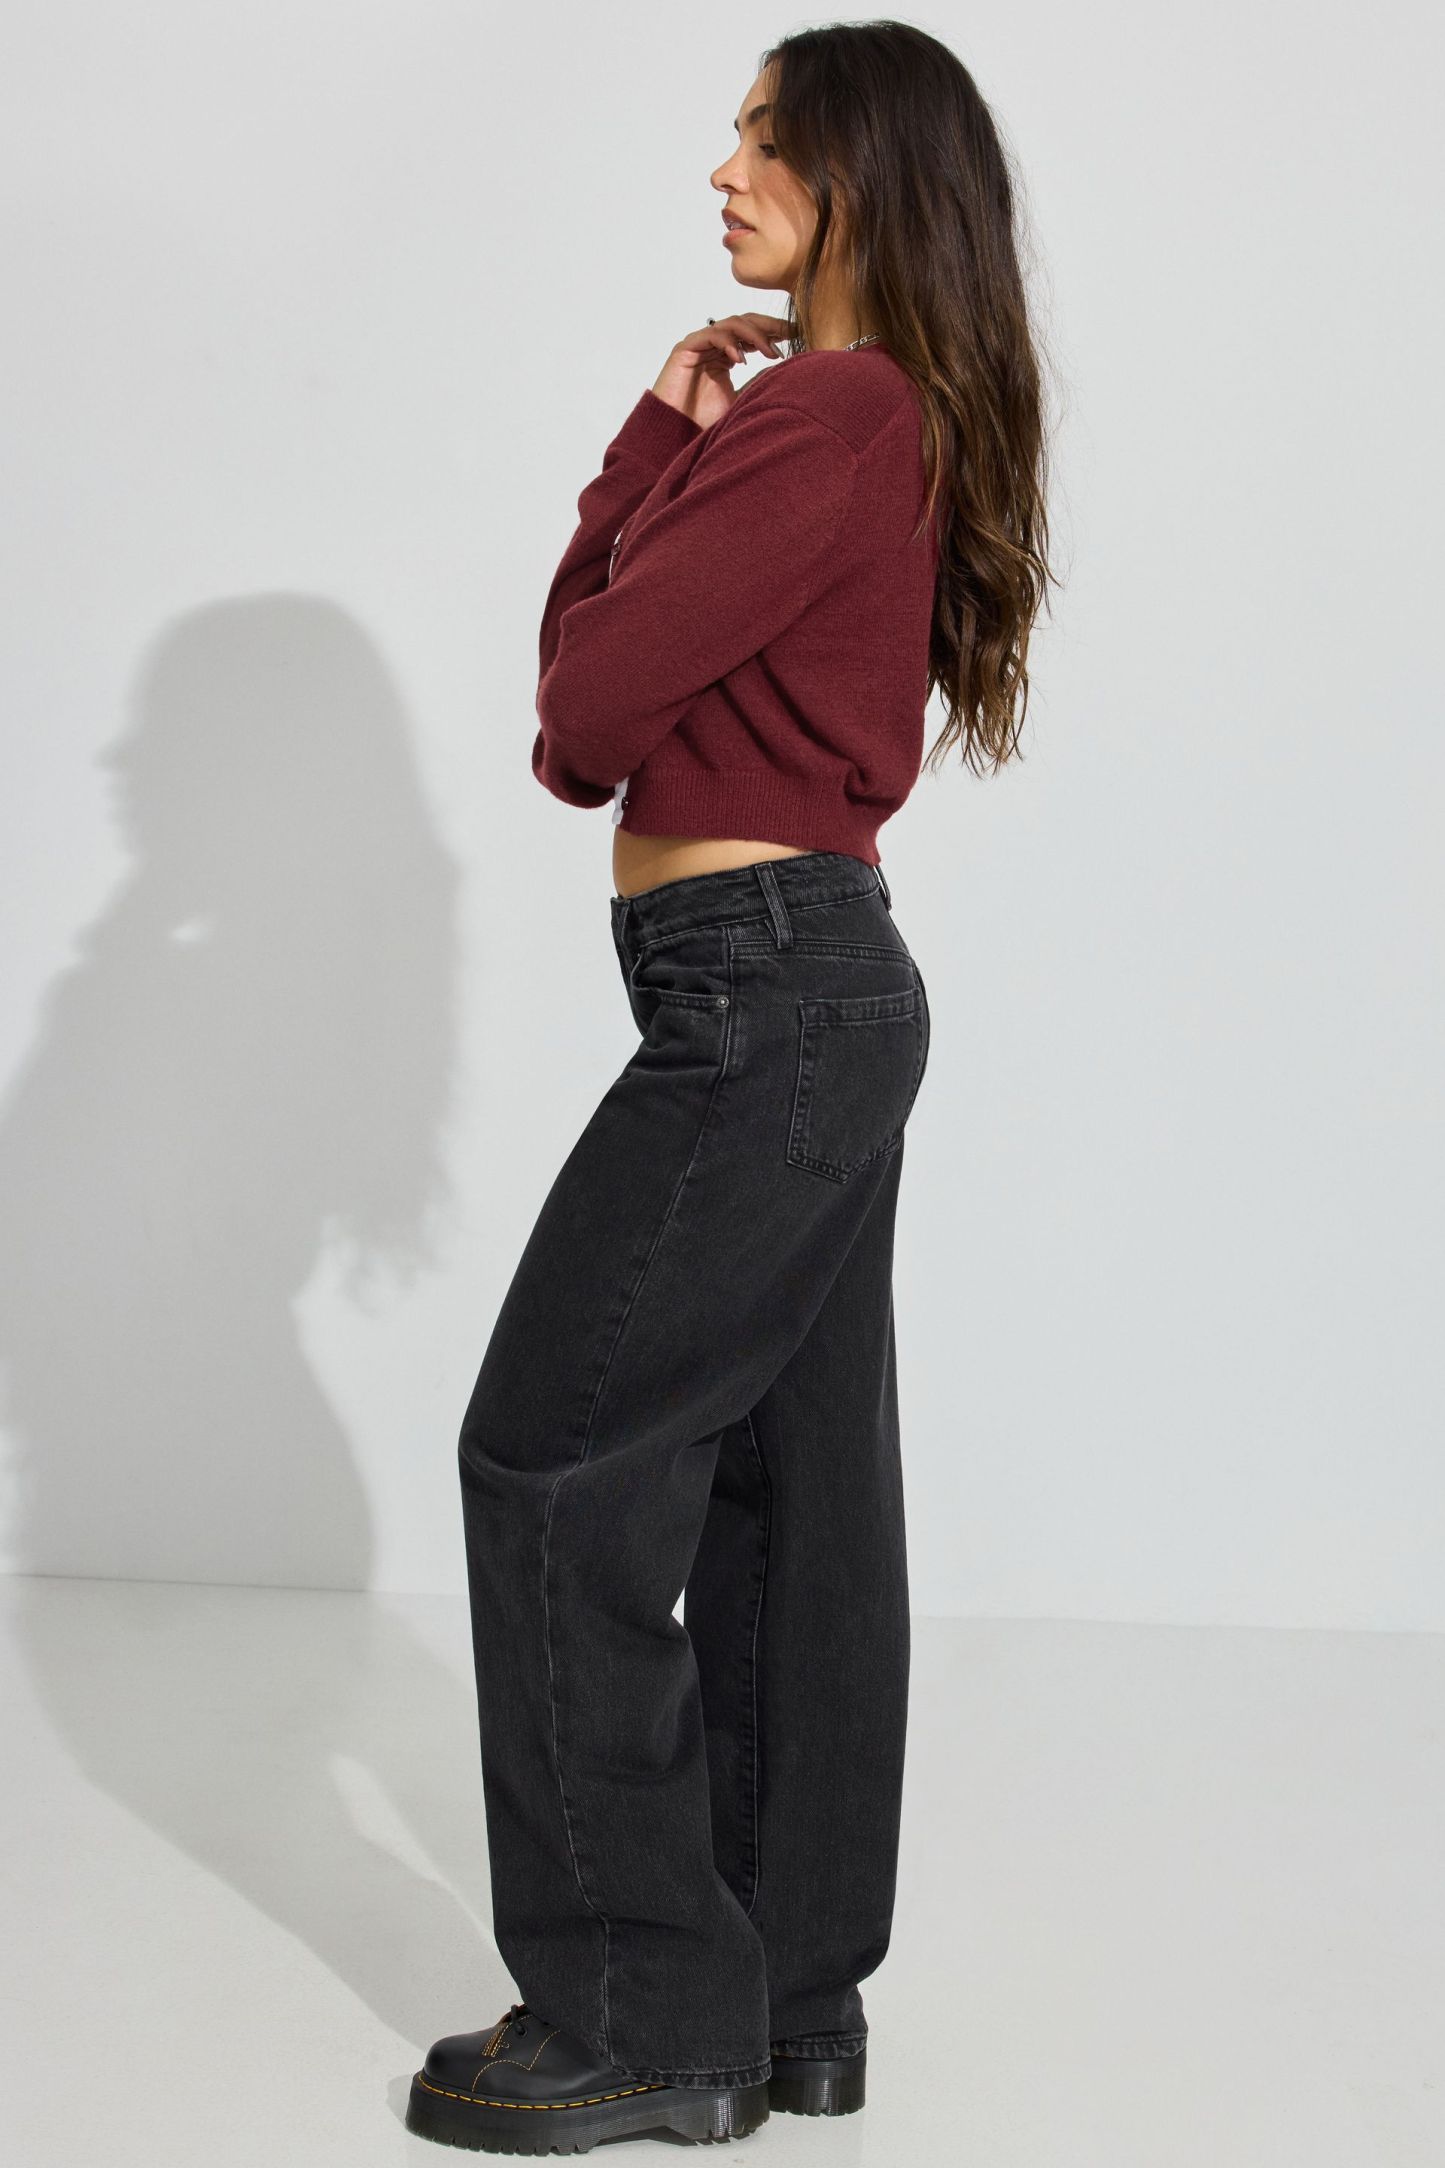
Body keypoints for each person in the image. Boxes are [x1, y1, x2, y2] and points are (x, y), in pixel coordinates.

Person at [407, 20, 1055, 2154]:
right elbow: (591, 712)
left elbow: (585, 711)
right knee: (791, 1496)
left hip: (759, 993)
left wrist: (647, 457)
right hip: (818, 984)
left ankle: (639, 2014)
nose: (725, 168)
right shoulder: (879, 414)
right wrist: (672, 439)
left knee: (556, 1456)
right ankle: (785, 1996)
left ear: (860, 171)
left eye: (767, 138)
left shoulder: (828, 412)